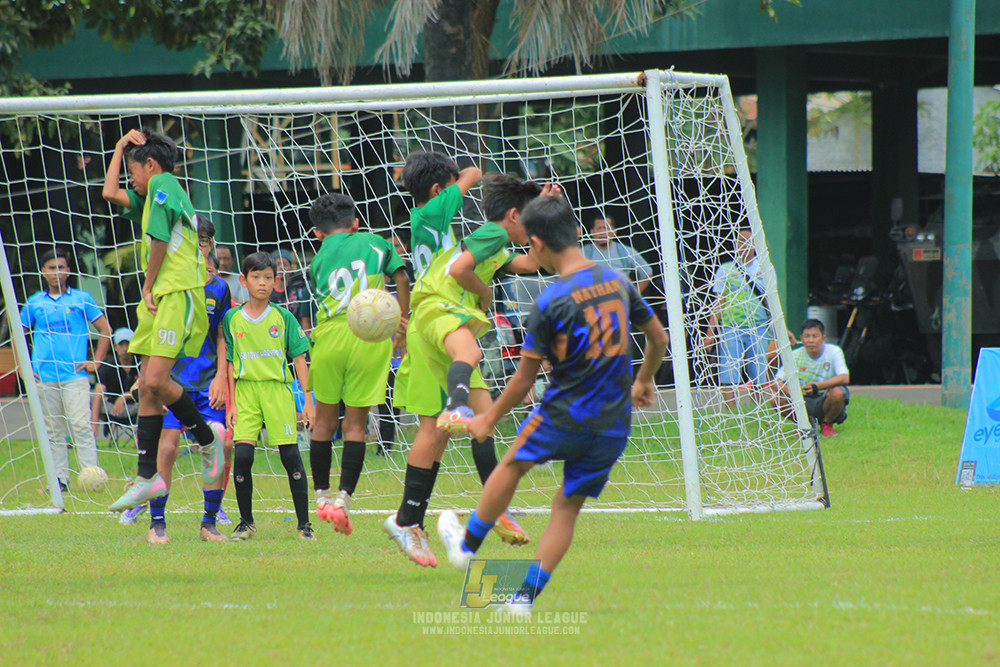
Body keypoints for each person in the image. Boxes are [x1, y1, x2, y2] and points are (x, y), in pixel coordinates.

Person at [436, 194, 668, 615]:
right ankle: (522, 599)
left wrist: (488, 417)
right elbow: (659, 338)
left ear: (538, 243)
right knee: (566, 507)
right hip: (613, 423)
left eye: (528, 247)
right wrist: (645, 378)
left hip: (564, 412)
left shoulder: (549, 302)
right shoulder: (618, 282)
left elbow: (524, 378)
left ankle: (467, 546)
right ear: (577, 233)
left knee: (510, 466)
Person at [385, 168, 546, 567]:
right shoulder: (491, 234)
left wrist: (546, 211)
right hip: (436, 310)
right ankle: (456, 408)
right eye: (528, 219)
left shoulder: (499, 244)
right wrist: (485, 292)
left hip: (440, 316)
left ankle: (422, 520)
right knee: (468, 358)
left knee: (481, 418)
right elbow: (459, 272)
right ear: (512, 216)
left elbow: (530, 265)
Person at [101, 127, 225, 512]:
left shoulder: (164, 185)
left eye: (133, 173)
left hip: (174, 294)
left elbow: (158, 241)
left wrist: (149, 285)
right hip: (159, 299)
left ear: (151, 166)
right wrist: (121, 146)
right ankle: (146, 478)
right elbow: (109, 193)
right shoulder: (150, 195)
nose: (130, 181)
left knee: (156, 380)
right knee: (147, 386)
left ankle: (208, 441)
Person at [306, 193, 410, 536]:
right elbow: (402, 277)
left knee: (323, 423)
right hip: (370, 336)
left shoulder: (318, 259)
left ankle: (321, 497)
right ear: (356, 222)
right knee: (356, 426)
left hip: (330, 337)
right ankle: (343, 499)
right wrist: (401, 318)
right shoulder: (376, 243)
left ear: (317, 234)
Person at [140, 217, 234, 544]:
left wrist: (221, 377)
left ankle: (209, 524)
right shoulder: (170, 284)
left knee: (219, 440)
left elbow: (222, 334)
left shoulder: (219, 288)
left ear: (210, 245)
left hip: (207, 382)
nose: (200, 245)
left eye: (206, 240)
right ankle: (157, 523)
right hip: (173, 382)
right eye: (195, 239)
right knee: (166, 448)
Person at [223, 251, 314, 541]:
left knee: (291, 457)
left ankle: (304, 526)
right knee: (244, 457)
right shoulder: (231, 319)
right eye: (255, 277)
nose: (261, 283)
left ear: (276, 282)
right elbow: (229, 363)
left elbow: (300, 359)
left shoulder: (283, 317)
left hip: (277, 391)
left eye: (267, 278)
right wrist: (232, 402)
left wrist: (308, 403)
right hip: (247, 392)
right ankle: (246, 523)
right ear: (244, 280)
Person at [20, 248, 111, 492]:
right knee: (53, 431)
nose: (57, 273)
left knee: (81, 426)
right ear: (43, 271)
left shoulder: (81, 298)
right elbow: (19, 335)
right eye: (52, 268)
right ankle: (59, 481)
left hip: (75, 377)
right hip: (44, 377)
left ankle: (92, 477)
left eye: (61, 267)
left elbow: (105, 330)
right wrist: (24, 366)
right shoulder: (34, 302)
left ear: (68, 271)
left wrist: (96, 362)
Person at [704, 228, 772, 409]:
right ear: (734, 245)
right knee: (728, 372)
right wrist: (710, 333)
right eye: (740, 241)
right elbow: (719, 302)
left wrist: (781, 329)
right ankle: (731, 412)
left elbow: (770, 301)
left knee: (758, 373)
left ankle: (758, 410)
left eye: (748, 242)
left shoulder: (764, 269)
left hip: (758, 326)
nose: (743, 245)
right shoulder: (725, 269)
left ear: (756, 246)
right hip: (731, 327)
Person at [768, 318, 850, 437]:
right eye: (807, 336)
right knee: (775, 398)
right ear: (801, 338)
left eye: (815, 336)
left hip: (824, 397)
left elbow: (844, 378)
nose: (811, 340)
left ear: (823, 338)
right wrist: (787, 390)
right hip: (802, 399)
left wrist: (817, 387)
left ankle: (827, 423)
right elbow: (775, 381)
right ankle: (805, 425)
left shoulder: (834, 351)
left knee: (838, 393)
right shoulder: (794, 355)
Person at [582, 214, 652, 295]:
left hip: (619, 300)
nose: (602, 232)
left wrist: (634, 296)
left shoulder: (625, 251)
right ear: (592, 232)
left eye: (606, 228)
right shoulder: (583, 253)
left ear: (614, 232)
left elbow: (647, 272)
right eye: (599, 228)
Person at [91, 326, 139, 441]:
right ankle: (91, 433)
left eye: (128, 344)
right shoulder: (108, 366)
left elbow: (147, 389)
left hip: (135, 407)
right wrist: (94, 426)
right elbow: (98, 393)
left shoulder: (141, 365)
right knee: (90, 398)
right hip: (112, 409)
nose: (125, 348)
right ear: (115, 347)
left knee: (150, 400)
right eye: (121, 345)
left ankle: (140, 438)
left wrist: (125, 396)